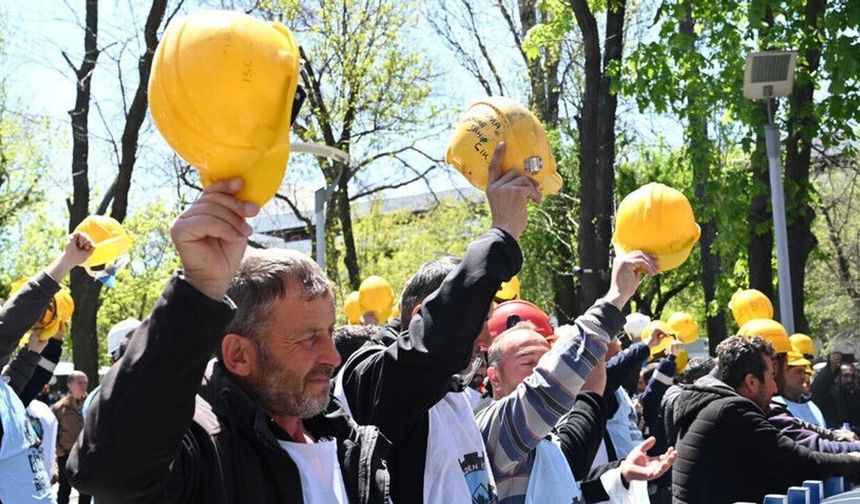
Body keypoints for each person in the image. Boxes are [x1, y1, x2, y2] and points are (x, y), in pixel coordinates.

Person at [68, 178, 390, 503]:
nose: (333, 357)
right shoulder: (203, 447)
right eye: (309, 339)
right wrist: (197, 290)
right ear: (239, 354)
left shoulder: (346, 437)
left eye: (330, 333)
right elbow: (111, 474)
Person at [335, 142, 541, 503]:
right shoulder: (371, 381)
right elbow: (432, 349)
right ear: (420, 318)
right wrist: (501, 234)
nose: (484, 342)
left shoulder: (454, 394)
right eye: (475, 324)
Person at [477, 250, 678, 502]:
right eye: (529, 362)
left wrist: (622, 474)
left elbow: (566, 487)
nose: (540, 371)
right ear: (494, 376)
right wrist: (615, 297)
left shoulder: (545, 438)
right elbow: (549, 385)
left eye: (546, 360)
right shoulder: (495, 429)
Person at [672, 336, 860, 504]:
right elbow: (799, 462)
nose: (774, 389)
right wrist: (854, 461)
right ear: (751, 382)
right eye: (771, 377)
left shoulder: (712, 406)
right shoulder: (732, 411)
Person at [0, 232, 93, 504]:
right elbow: (9, 328)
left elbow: (16, 385)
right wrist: (65, 263)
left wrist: (36, 350)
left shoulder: (5, 395)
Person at [53, 370, 91, 504]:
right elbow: (53, 433)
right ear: (70, 385)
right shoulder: (60, 408)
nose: (83, 385)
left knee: (86, 490)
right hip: (66, 455)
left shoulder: (93, 403)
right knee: (64, 489)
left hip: (87, 455)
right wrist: (59, 451)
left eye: (85, 382)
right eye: (79, 382)